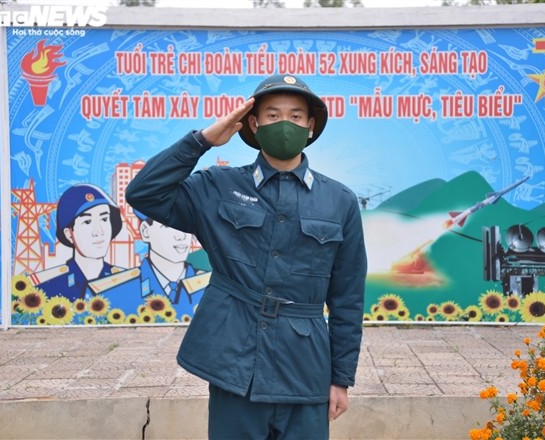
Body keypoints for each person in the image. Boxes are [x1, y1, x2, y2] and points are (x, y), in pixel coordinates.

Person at [126, 74, 367, 439]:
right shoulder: (217, 187)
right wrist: (203, 141)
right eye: (272, 115)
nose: (284, 124)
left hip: (305, 368)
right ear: (253, 124)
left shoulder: (339, 201)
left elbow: (347, 296)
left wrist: (341, 379)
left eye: (296, 116)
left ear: (310, 125)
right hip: (234, 362)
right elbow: (144, 193)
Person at [31, 183, 123, 302]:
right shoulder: (45, 290)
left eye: (104, 219)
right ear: (69, 234)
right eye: (87, 222)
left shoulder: (124, 281)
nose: (98, 231)